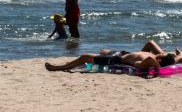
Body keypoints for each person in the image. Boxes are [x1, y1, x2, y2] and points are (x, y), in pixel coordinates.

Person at [45, 43, 174, 73]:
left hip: (116, 60)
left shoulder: (150, 62)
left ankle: (59, 67)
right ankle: (75, 63)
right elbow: (150, 43)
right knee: (102, 50)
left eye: (162, 54)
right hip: (121, 53)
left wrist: (159, 66)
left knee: (84, 57)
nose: (161, 52)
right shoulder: (154, 56)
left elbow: (148, 62)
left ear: (160, 61)